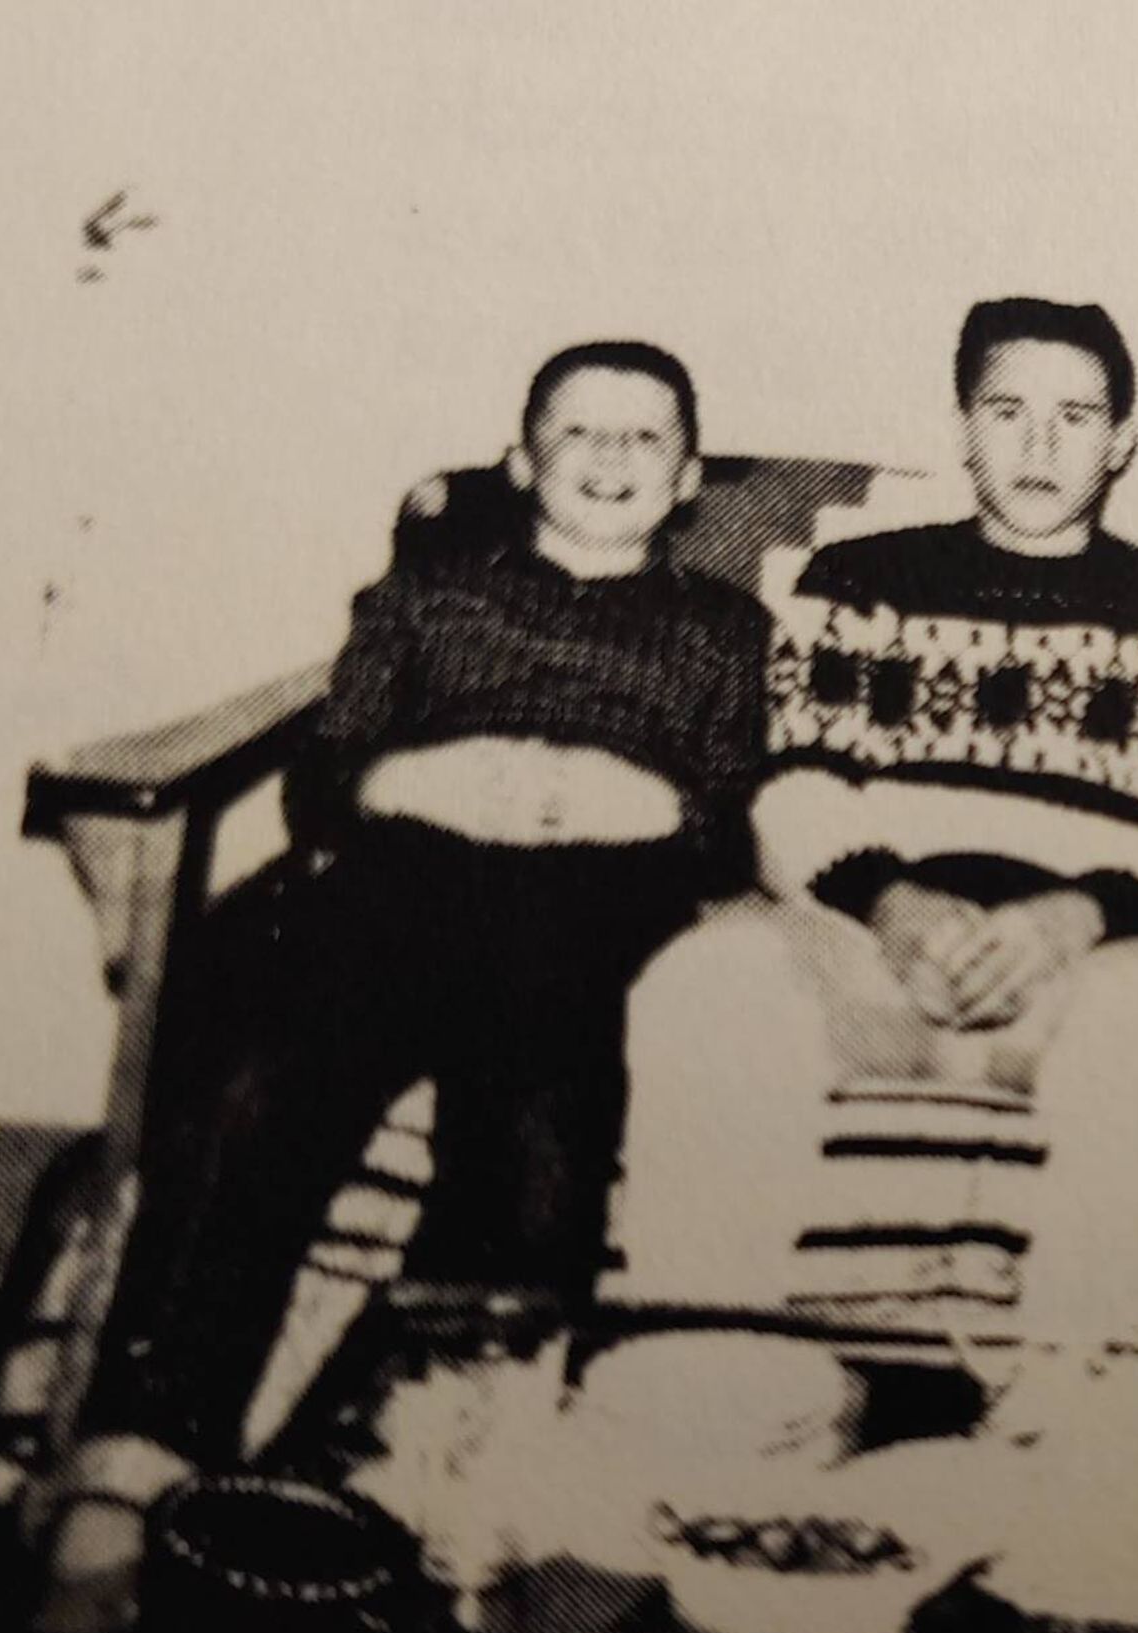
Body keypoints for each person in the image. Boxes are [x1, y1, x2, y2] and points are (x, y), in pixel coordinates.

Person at [54, 341, 769, 1534]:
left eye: (645, 438)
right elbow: (329, 769)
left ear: (689, 478)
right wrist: (417, 779)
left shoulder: (721, 628)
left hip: (597, 895)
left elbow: (729, 801)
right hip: (403, 879)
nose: (610, 457)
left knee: (541, 1115)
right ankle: (135, 1456)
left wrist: (639, 807)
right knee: (258, 1074)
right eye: (578, 430)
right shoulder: (424, 595)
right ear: (518, 460)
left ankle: (405, 1463)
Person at [613, 298, 1138, 1347]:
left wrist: (1072, 920)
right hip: (867, 948)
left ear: (1122, 441)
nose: (1040, 445)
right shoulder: (858, 577)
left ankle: (1085, 1391)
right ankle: (706, 1369)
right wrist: (892, 905)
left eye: (1077, 417)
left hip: (1081, 969)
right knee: (704, 983)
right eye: (1007, 410)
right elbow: (790, 795)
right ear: (962, 426)